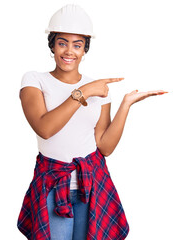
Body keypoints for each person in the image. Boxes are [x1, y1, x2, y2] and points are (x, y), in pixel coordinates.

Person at [17, 4, 168, 240]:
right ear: (52, 45)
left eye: (77, 45)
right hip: (53, 185)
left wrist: (125, 104)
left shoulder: (99, 89)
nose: (69, 51)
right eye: (62, 43)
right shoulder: (35, 80)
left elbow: (105, 146)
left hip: (91, 185)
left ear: (85, 49)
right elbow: (45, 128)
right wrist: (83, 92)